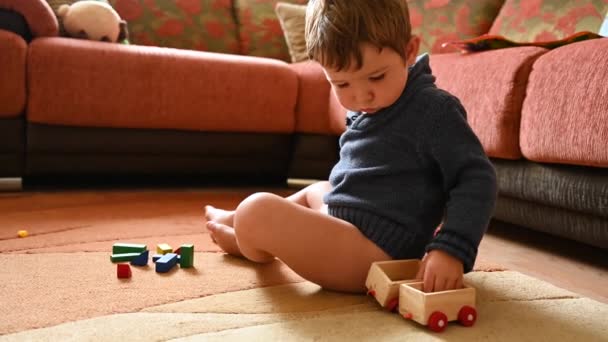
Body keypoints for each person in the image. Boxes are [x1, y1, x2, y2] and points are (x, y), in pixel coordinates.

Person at [204, 0, 497, 294]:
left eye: (376, 77)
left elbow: (477, 179)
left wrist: (451, 249)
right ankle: (238, 222)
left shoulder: (435, 110)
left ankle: (249, 240)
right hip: (347, 224)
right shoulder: (377, 103)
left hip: (376, 255)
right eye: (341, 84)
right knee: (316, 190)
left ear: (409, 52)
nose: (361, 97)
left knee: (257, 209)